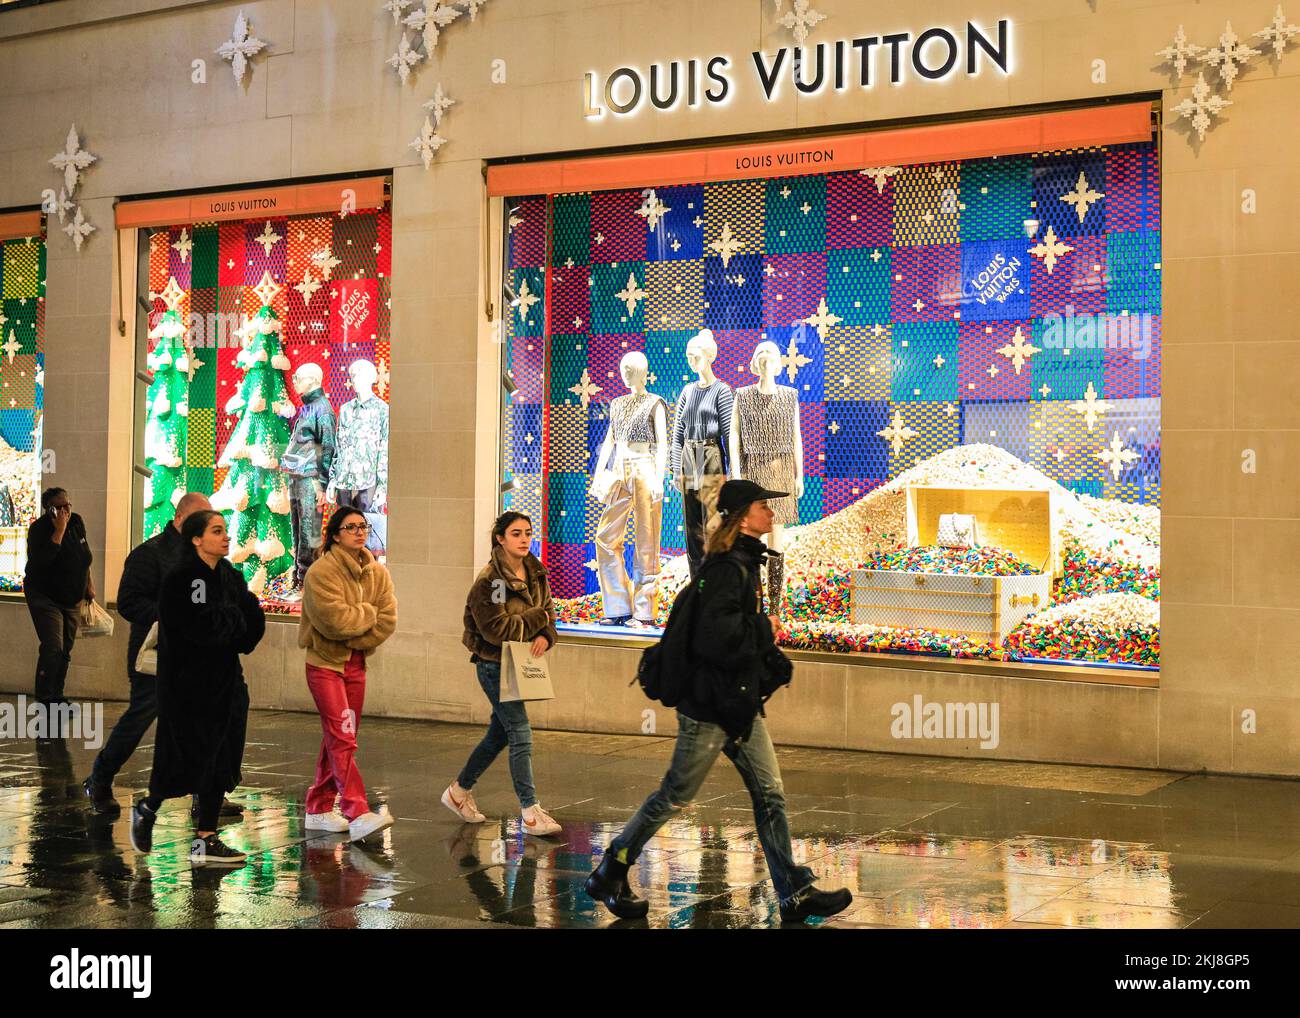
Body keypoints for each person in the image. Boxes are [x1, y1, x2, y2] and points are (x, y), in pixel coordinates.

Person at [584, 480, 854, 924]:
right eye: (764, 506)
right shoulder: (730, 569)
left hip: (737, 706)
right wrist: (766, 629)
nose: (771, 513)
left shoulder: (741, 562)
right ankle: (613, 866)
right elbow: (718, 638)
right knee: (675, 795)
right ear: (744, 516)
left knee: (770, 794)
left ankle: (794, 894)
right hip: (710, 708)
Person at [82, 494, 243, 820]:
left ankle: (207, 796)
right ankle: (100, 778)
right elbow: (128, 602)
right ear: (181, 519)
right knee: (140, 718)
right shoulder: (150, 554)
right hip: (158, 657)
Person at [130, 510, 265, 866]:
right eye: (216, 531)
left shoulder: (227, 575)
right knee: (189, 756)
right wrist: (234, 620)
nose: (226, 537)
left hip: (225, 682)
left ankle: (205, 839)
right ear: (196, 539)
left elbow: (252, 616)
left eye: (225, 531)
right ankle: (148, 807)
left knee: (218, 757)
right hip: (189, 687)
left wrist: (236, 624)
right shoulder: (189, 578)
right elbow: (205, 627)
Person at [447, 511, 561, 836]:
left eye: (527, 532)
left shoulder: (536, 572)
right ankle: (529, 811)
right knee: (520, 733)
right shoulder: (492, 581)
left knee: (499, 734)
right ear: (500, 538)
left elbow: (550, 614)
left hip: (520, 663)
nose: (524, 539)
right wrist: (537, 619)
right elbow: (497, 629)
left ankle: (458, 791)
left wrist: (545, 634)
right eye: (516, 534)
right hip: (493, 665)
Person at [298, 505, 397, 843]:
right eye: (351, 526)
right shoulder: (321, 572)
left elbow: (387, 621)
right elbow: (333, 621)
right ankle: (357, 810)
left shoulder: (377, 572)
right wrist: (366, 615)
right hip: (325, 664)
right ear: (336, 533)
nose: (359, 531)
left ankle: (318, 807)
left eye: (363, 525)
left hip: (356, 664)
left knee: (340, 736)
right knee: (342, 735)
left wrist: (360, 625)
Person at [24, 487, 94, 706]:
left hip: (72, 596)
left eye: (68, 505)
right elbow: (40, 563)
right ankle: (44, 697)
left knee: (66, 648)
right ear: (49, 509)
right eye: (59, 507)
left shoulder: (77, 522)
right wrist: (59, 531)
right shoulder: (39, 530)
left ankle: (57, 694)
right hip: (45, 595)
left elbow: (84, 557)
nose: (65, 511)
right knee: (53, 645)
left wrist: (89, 586)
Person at [281, 362, 336, 598]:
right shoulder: (309, 407)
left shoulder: (322, 409)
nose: (294, 381)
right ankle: (299, 580)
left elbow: (328, 448)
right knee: (298, 529)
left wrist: (321, 485)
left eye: (298, 377)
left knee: (308, 531)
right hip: (298, 478)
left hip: (310, 480)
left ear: (313, 380)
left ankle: (307, 584)